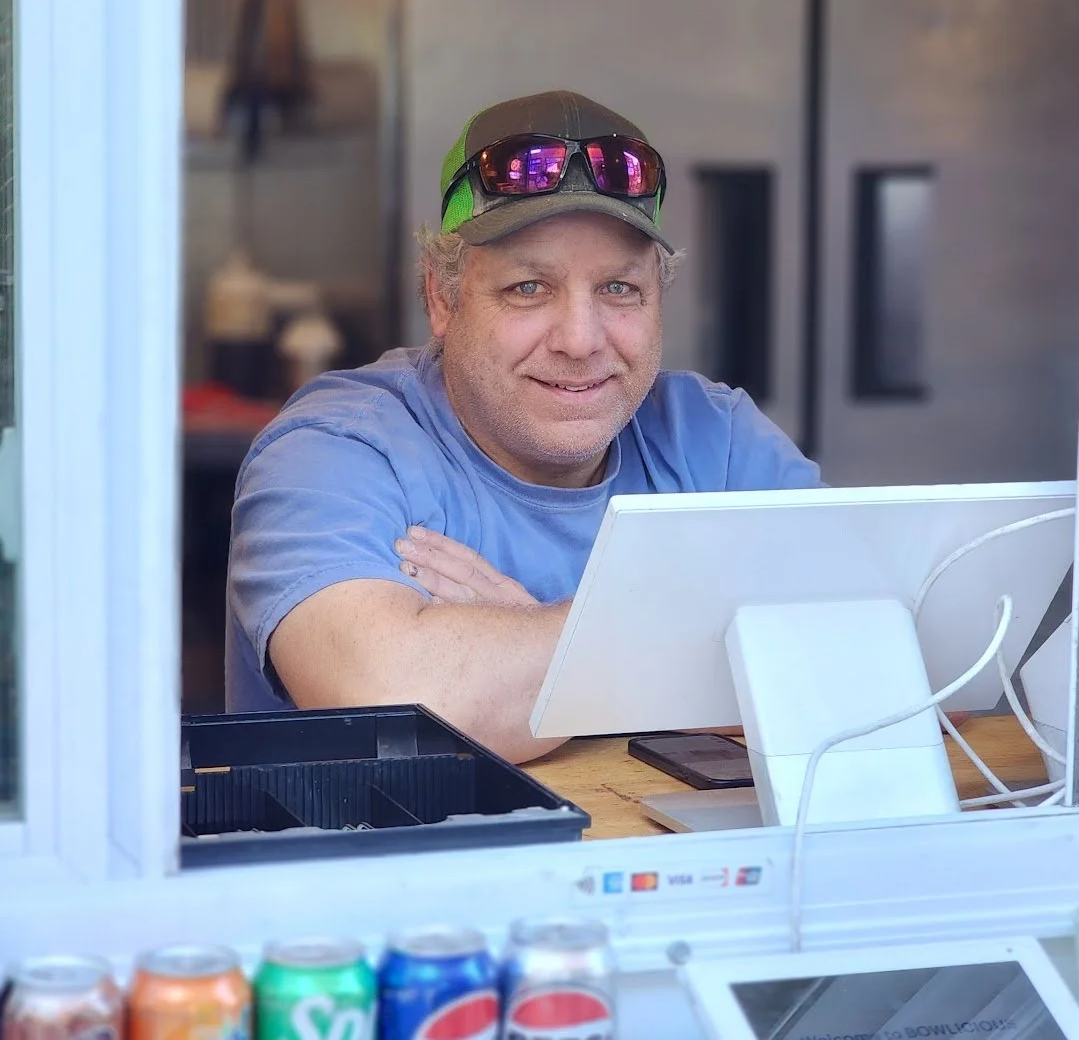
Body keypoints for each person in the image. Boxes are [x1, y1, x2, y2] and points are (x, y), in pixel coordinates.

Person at [225, 90, 821, 761]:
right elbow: (390, 701)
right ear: (439, 297)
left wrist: (535, 632)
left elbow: (878, 668)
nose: (579, 339)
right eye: (527, 288)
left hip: (672, 864)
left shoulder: (717, 439)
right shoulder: (335, 451)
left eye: (618, 288)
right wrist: (707, 640)